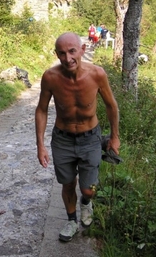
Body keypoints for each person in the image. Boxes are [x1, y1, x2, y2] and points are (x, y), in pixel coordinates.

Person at [35, 32, 120, 242]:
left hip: (91, 138)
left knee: (87, 189)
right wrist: (40, 145)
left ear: (82, 49)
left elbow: (111, 105)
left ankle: (86, 203)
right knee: (67, 183)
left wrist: (115, 137)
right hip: (62, 139)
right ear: (56, 54)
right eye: (62, 53)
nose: (68, 58)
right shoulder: (50, 77)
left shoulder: (97, 74)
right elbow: (41, 110)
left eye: (72, 51)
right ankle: (72, 221)